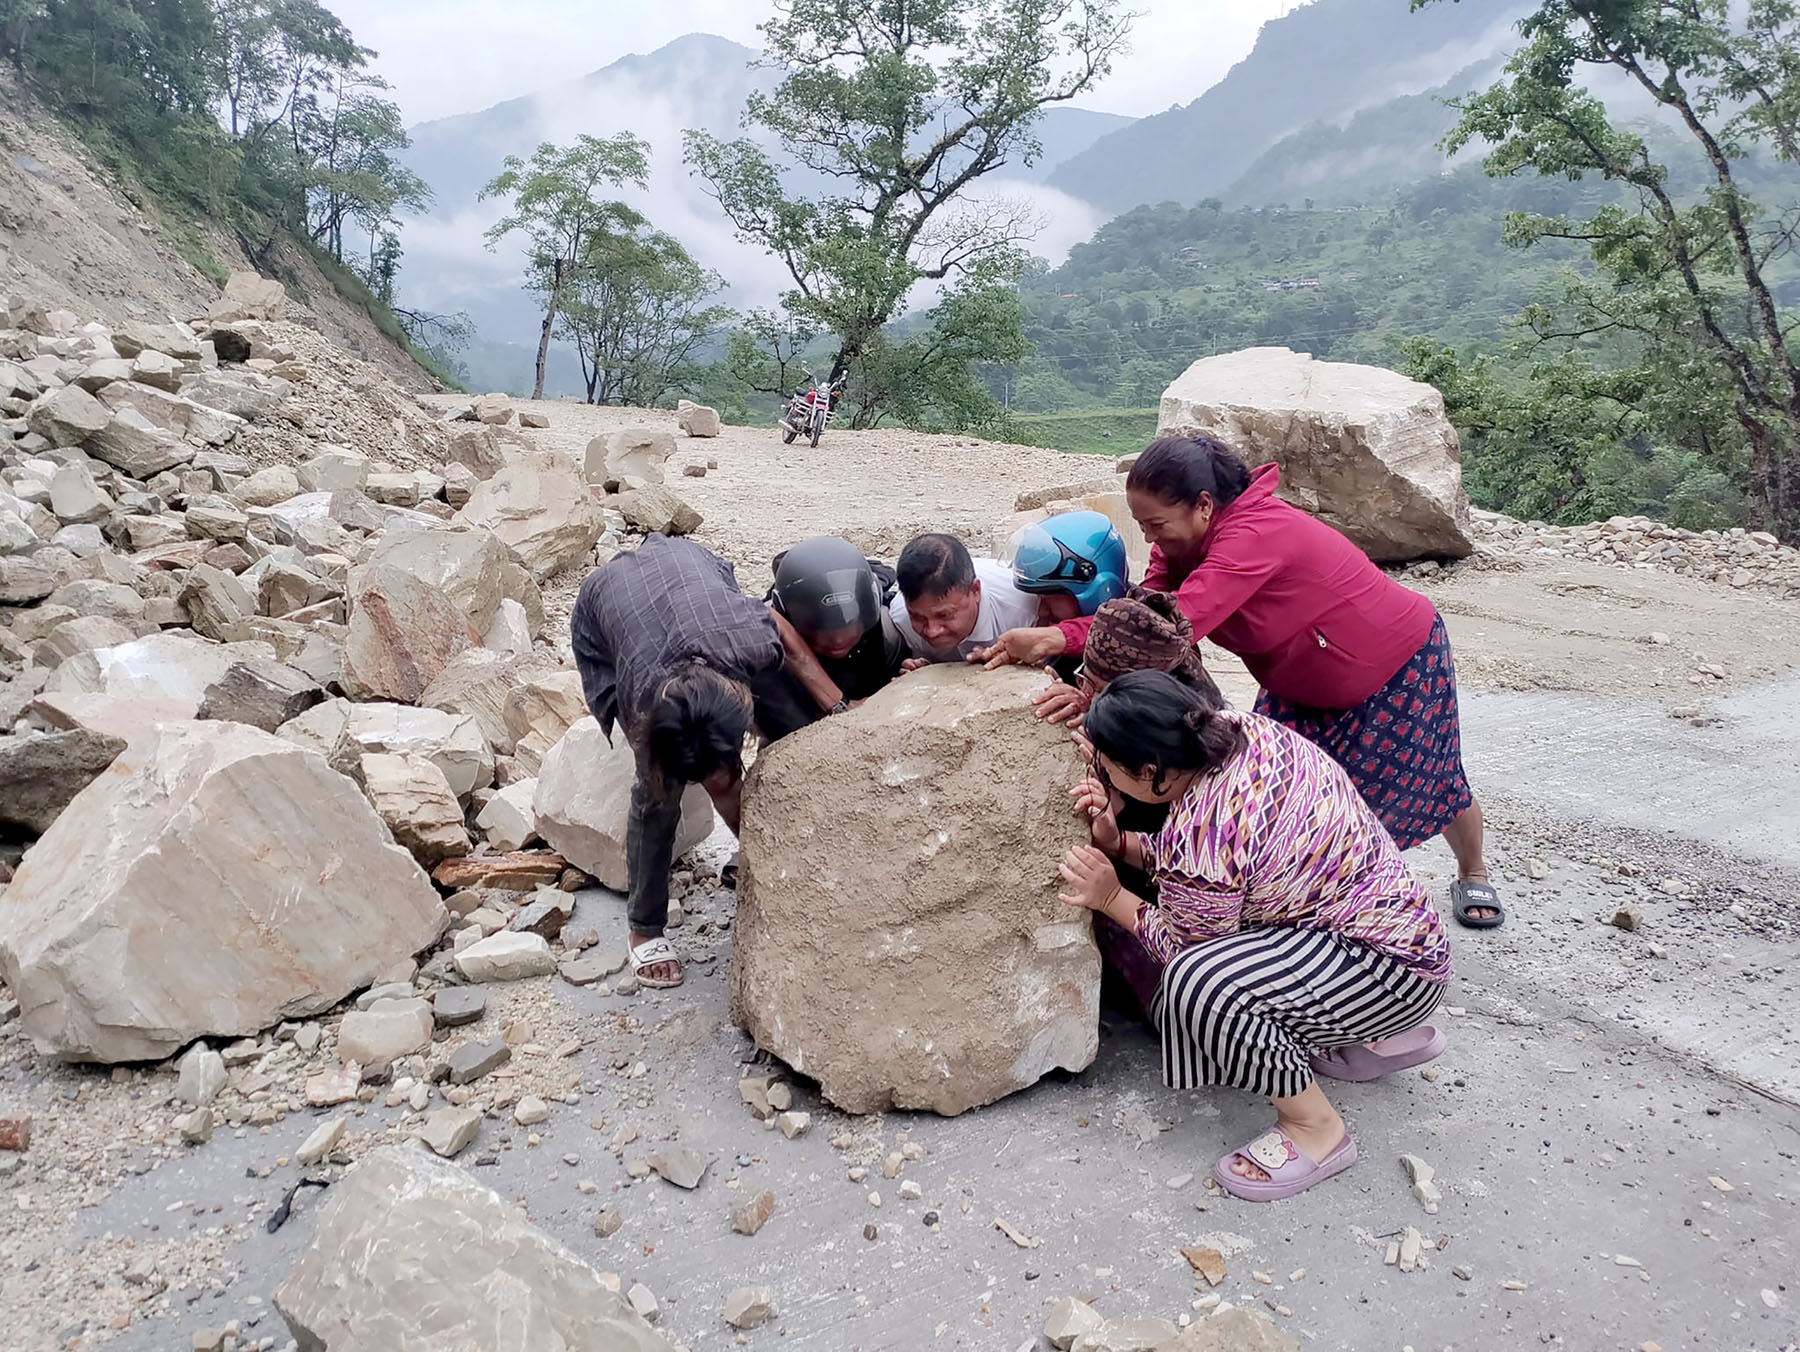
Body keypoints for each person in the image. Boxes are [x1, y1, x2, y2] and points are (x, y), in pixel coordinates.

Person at [987, 435, 1504, 929]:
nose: (1149, 538)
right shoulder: (1181, 542)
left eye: (1156, 524)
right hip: (1298, 681)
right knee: (1280, 799)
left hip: (1394, 661)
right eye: (1142, 525)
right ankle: (1292, 894)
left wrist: (1061, 643)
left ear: (1204, 506)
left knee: (1431, 778)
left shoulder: (1254, 537)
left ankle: (1465, 873)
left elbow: (1170, 629)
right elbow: (1143, 612)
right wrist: (1086, 663)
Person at [1058, 670, 1452, 1202]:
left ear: (1150, 772)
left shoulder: (1201, 826)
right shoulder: (1242, 732)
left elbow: (1187, 947)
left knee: (1199, 985)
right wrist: (1121, 841)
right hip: (1409, 938)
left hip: (1385, 972)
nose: (1102, 776)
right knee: (1223, 961)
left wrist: (1111, 897)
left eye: (1107, 767)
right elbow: (1218, 870)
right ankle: (1362, 1040)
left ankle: (1316, 1129)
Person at [570, 533, 786, 990]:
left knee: (775, 725)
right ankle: (643, 927)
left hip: (696, 564)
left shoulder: (751, 638)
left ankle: (753, 848)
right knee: (656, 796)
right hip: (607, 600)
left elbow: (782, 635)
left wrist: (838, 704)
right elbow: (663, 779)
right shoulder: (640, 696)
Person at [752, 535, 910, 741]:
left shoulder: (888, 629)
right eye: (821, 636)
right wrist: (838, 706)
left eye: (850, 633)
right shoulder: (766, 655)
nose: (836, 643)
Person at [889, 532, 1043, 664]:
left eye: (944, 615)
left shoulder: (1025, 608)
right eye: (917, 617)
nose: (932, 632)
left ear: (975, 591)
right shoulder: (900, 616)